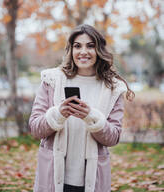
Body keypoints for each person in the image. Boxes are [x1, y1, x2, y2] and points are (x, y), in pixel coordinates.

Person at [29, 24, 134, 192]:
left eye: (90, 46)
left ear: (99, 50)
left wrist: (92, 117)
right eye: (77, 46)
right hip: (52, 176)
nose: (83, 51)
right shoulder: (52, 80)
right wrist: (58, 114)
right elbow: (35, 128)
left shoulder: (113, 88)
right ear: (70, 50)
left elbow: (113, 137)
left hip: (93, 179)